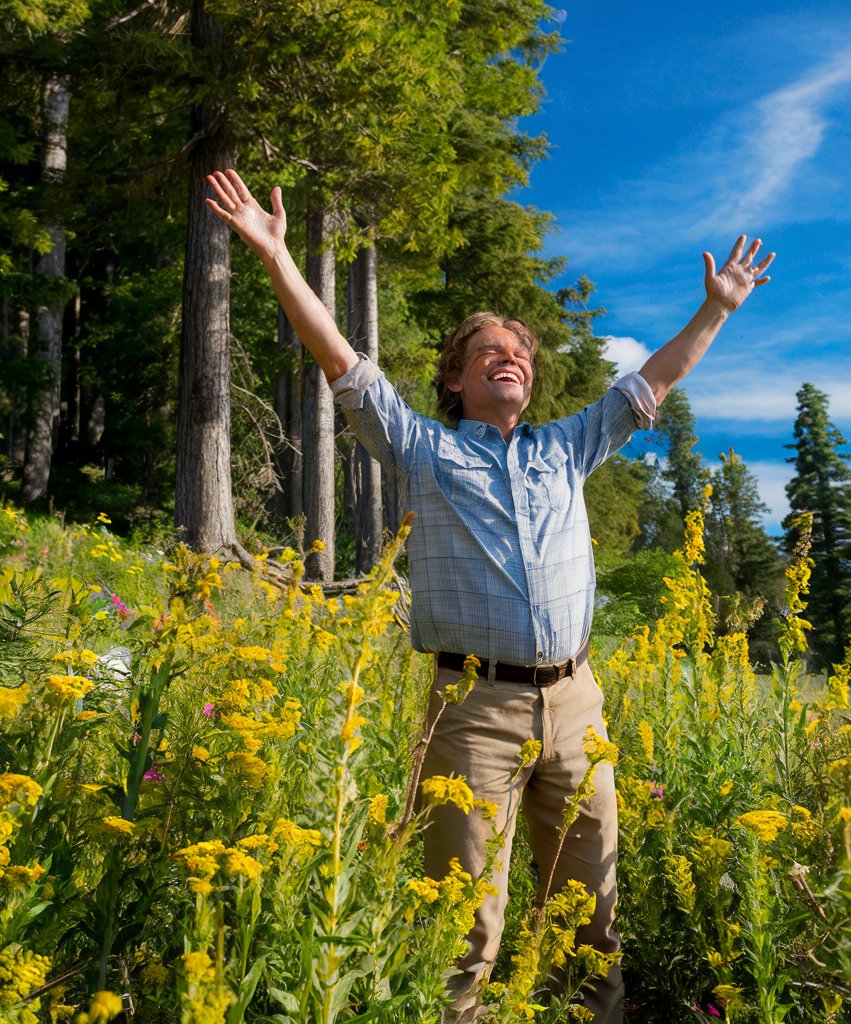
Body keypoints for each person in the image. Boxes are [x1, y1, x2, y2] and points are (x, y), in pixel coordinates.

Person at [205, 168, 773, 1024]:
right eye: (488, 355)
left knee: (593, 920)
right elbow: (341, 363)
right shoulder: (426, 450)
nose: (508, 361)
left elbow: (652, 380)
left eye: (519, 356)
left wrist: (718, 308)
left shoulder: (569, 448)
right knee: (461, 926)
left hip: (579, 704)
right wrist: (280, 256)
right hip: (470, 707)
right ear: (456, 381)